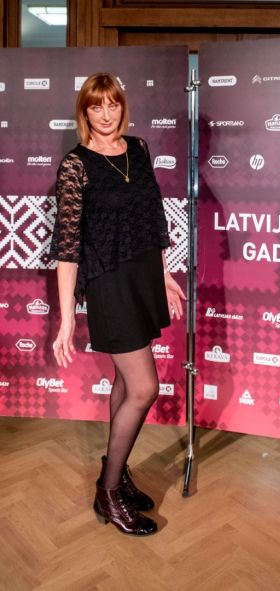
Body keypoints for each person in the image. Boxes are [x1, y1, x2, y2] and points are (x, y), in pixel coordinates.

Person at [50, 72, 185, 536]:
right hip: (109, 284)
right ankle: (108, 493)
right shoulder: (76, 166)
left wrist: (164, 273)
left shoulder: (139, 149)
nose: (106, 114)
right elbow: (67, 249)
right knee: (144, 388)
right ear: (84, 112)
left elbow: (153, 217)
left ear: (122, 107)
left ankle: (118, 470)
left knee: (125, 383)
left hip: (143, 275)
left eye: (112, 105)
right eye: (96, 106)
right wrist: (67, 319)